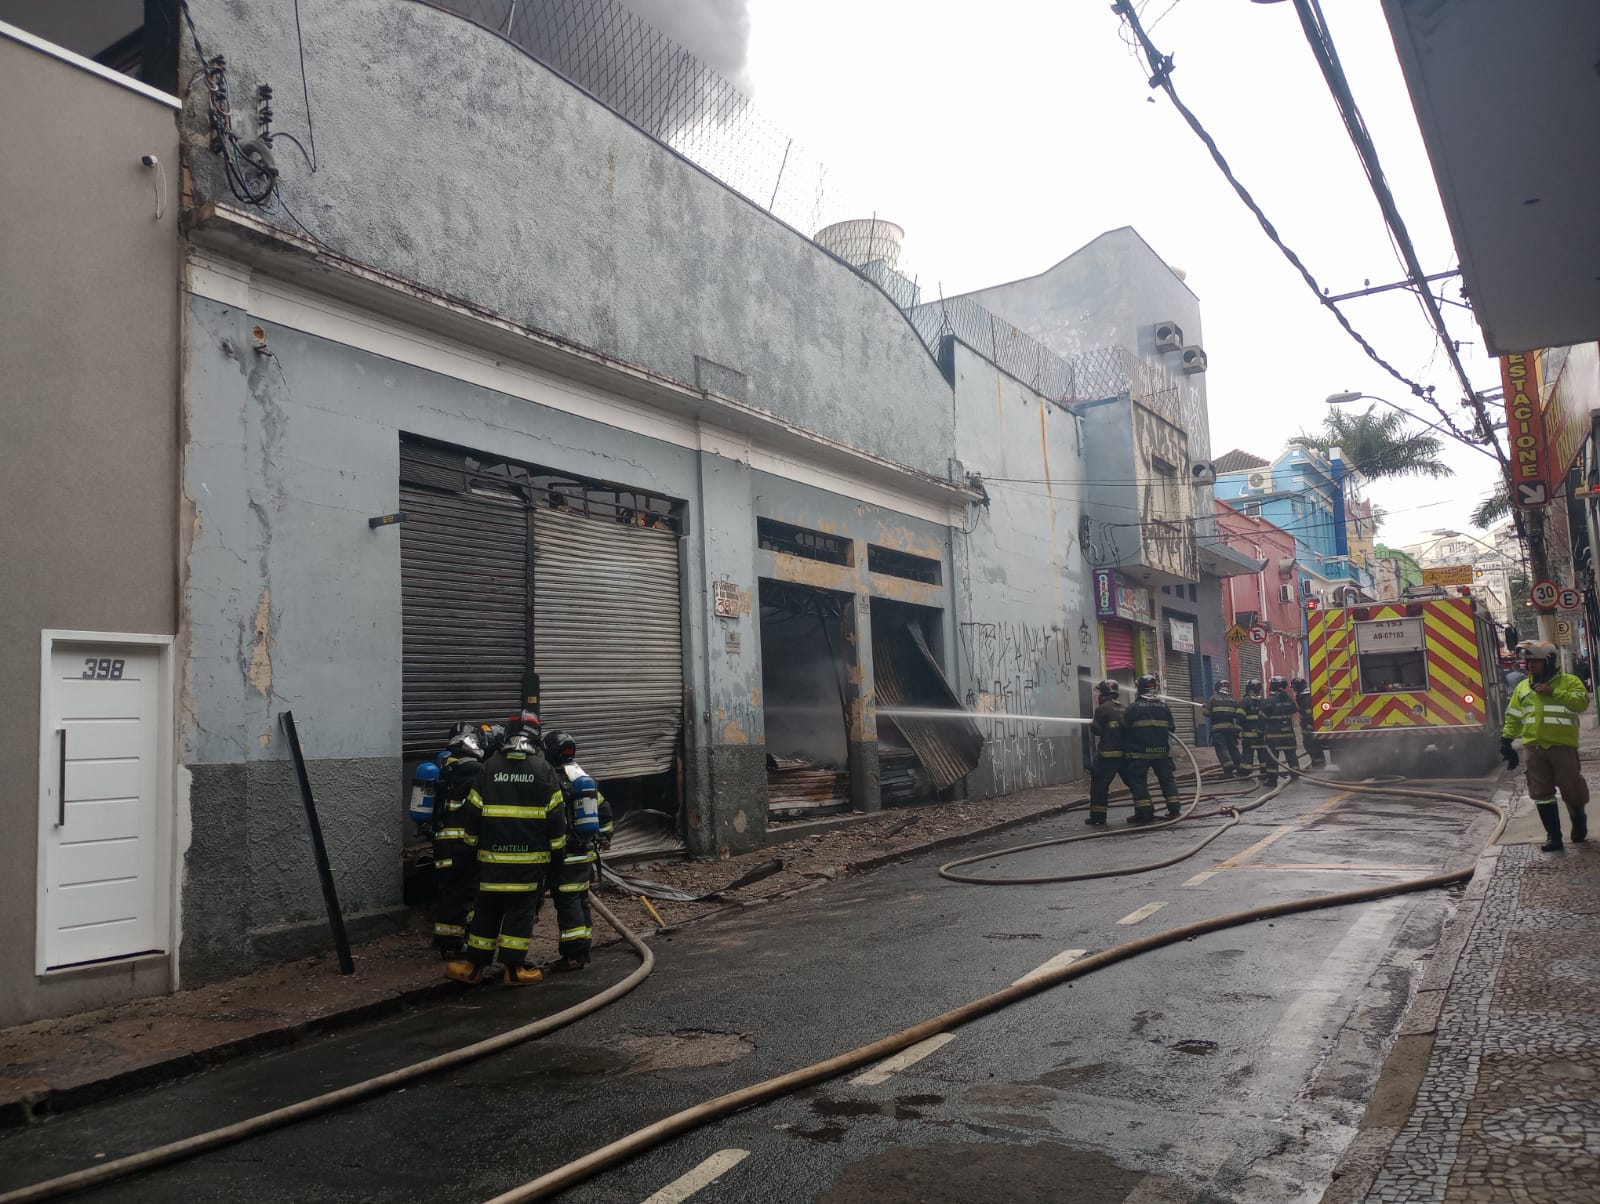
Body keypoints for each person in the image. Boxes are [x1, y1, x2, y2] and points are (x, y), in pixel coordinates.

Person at [446, 717, 567, 985]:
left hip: (490, 862)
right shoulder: (543, 770)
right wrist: (558, 859)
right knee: (520, 913)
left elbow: (473, 815)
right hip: (528, 864)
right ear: (536, 739)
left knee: (486, 911)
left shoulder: (489, 768)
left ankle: (474, 967)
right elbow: (557, 822)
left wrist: (468, 851)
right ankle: (514, 970)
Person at [1501, 639, 1589, 852]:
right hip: (1534, 749)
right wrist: (1506, 740)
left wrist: (1554, 692)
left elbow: (1582, 704)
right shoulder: (1523, 687)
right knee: (1541, 793)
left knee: (1572, 790)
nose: (1530, 667)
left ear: (1548, 661)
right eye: (1527, 663)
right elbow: (1513, 716)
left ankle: (1578, 819)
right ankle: (1554, 837)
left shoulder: (1569, 682)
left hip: (1562, 747)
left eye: (1535, 662)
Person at [541, 729, 614, 971]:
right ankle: (583, 952)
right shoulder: (582, 778)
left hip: (565, 855)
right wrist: (605, 835)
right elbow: (604, 810)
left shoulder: (550, 780)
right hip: (585, 854)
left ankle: (572, 956)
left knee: (569, 904)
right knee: (581, 901)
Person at [430, 723, 486, 959]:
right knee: (464, 892)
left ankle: (450, 940)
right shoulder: (473, 770)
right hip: (461, 842)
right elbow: (478, 807)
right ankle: (453, 944)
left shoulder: (444, 767)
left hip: (441, 842)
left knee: (450, 891)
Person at [1122, 673, 1181, 823]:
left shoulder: (1133, 708)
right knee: (1167, 780)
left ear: (1140, 689)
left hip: (1140, 753)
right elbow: (1172, 728)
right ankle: (1174, 809)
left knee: (1138, 781)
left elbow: (1123, 728)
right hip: (1161, 752)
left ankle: (1144, 812)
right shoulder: (1164, 707)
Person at [1087, 679, 1131, 826]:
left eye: (1099, 692)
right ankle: (1145, 811)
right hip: (1124, 755)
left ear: (1104, 692)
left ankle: (1098, 817)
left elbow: (1097, 730)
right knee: (1134, 783)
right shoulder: (1124, 708)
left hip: (1108, 755)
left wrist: (1092, 724)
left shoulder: (1102, 709)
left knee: (1099, 785)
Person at [1262, 676, 1300, 785]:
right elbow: (1295, 709)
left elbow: (1262, 719)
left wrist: (1260, 732)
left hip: (1273, 737)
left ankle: (1272, 780)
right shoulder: (1288, 699)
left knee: (1272, 759)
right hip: (1288, 735)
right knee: (1291, 755)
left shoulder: (1269, 701)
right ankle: (1295, 774)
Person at [1204, 679, 1244, 778]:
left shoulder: (1213, 699)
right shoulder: (1232, 700)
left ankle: (1228, 771)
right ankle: (1241, 768)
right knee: (1233, 749)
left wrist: (1206, 707)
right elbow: (1238, 714)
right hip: (1231, 729)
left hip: (1218, 730)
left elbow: (1206, 713)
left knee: (1222, 749)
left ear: (1217, 688)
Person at [1291, 676, 1326, 770]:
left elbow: (1308, 713)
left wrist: (1308, 724)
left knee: (1310, 743)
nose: (1294, 690)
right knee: (1311, 743)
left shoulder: (1305, 698)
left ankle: (1319, 764)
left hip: (1309, 725)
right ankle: (1318, 763)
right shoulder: (1306, 695)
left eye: (1294, 688)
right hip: (1309, 724)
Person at [1239, 679, 1268, 780]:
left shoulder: (1245, 701)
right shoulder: (1263, 701)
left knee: (1247, 753)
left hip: (1248, 735)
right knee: (1263, 753)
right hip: (1261, 735)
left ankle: (1245, 773)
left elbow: (1239, 716)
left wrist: (1238, 729)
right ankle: (1264, 772)